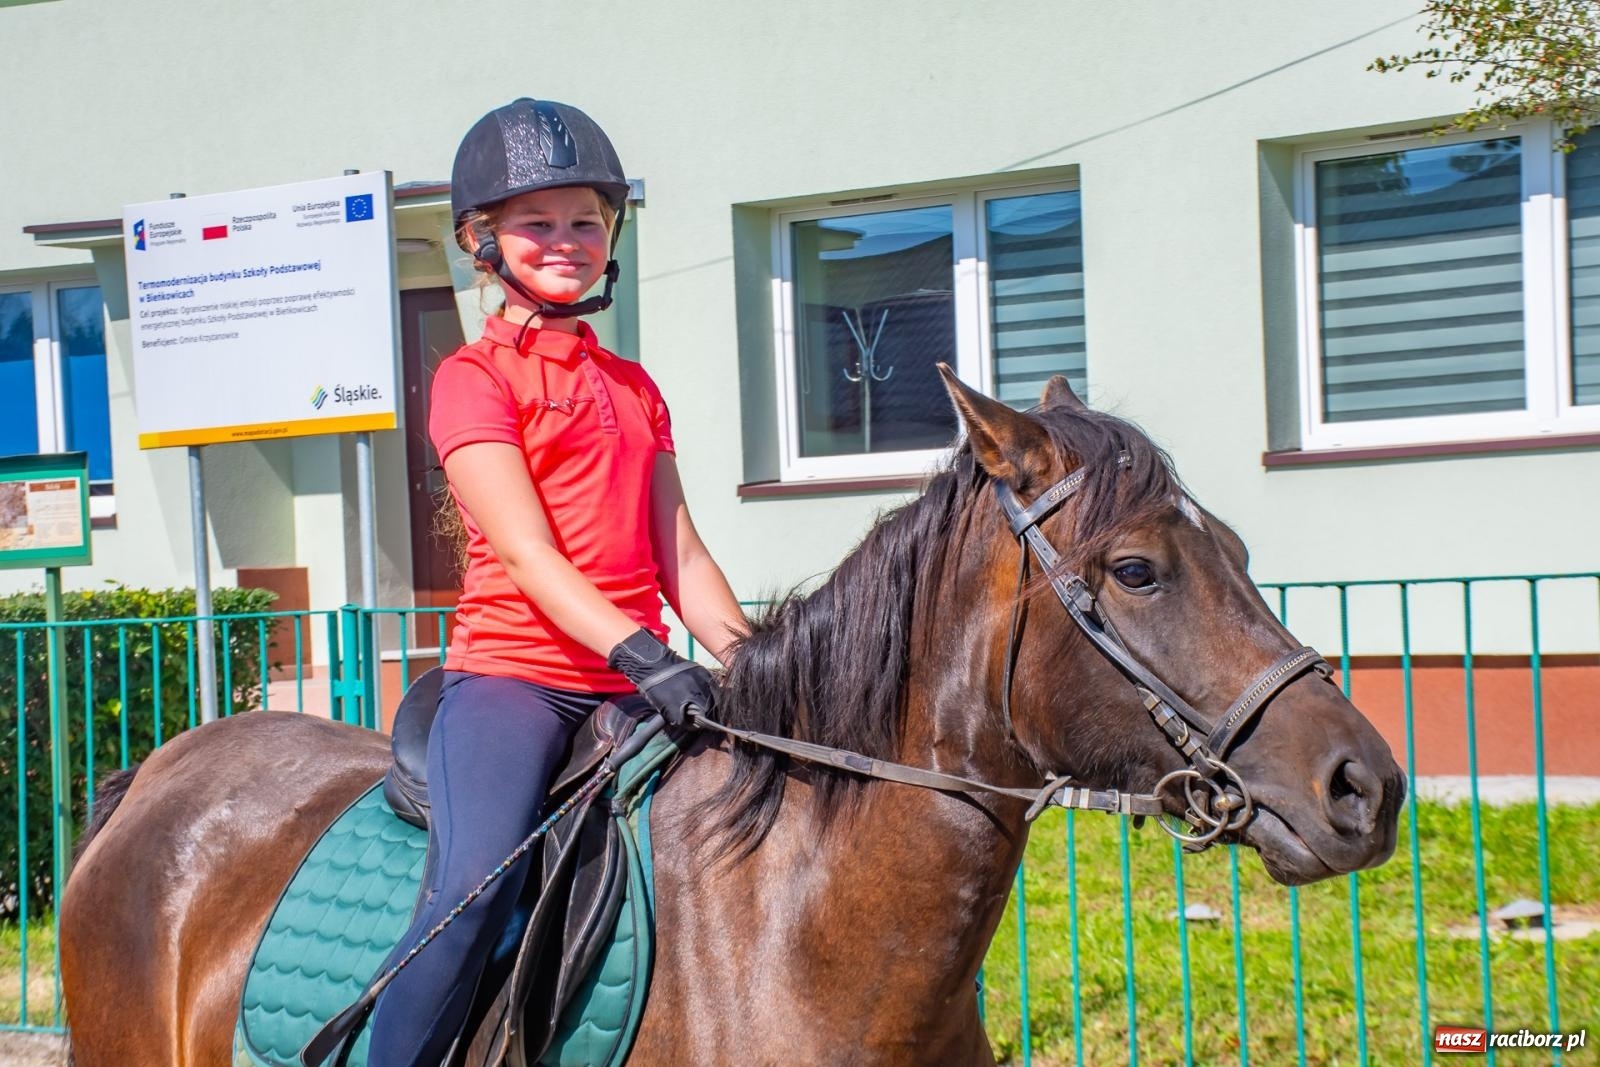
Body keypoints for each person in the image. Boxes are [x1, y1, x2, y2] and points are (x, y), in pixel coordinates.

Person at [366, 97, 746, 1064]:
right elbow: (531, 555)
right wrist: (650, 654)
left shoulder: (634, 386)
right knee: (474, 890)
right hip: (516, 680)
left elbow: (683, 556)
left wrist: (752, 660)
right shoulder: (471, 377)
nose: (566, 240)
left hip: (632, 681)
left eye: (586, 220)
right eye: (537, 222)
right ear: (480, 240)